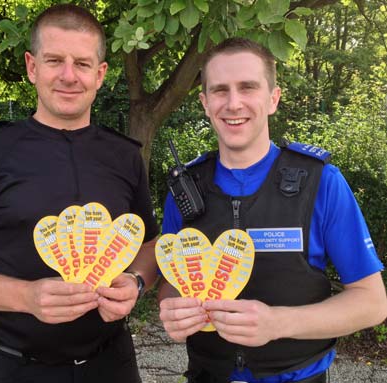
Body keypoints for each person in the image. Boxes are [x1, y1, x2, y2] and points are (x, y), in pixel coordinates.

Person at [0, 4, 158, 383]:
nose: (69, 76)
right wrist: (27, 297)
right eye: (55, 61)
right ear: (32, 67)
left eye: (82, 64)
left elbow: (148, 246)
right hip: (17, 368)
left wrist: (135, 282)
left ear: (100, 75)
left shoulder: (125, 156)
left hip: (112, 365)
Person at [158, 37, 387, 383]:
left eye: (247, 87)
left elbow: (372, 302)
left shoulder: (321, 182)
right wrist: (173, 310)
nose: (233, 103)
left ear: (273, 98)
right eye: (220, 90)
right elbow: (170, 283)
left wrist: (278, 323)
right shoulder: (185, 190)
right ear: (205, 103)